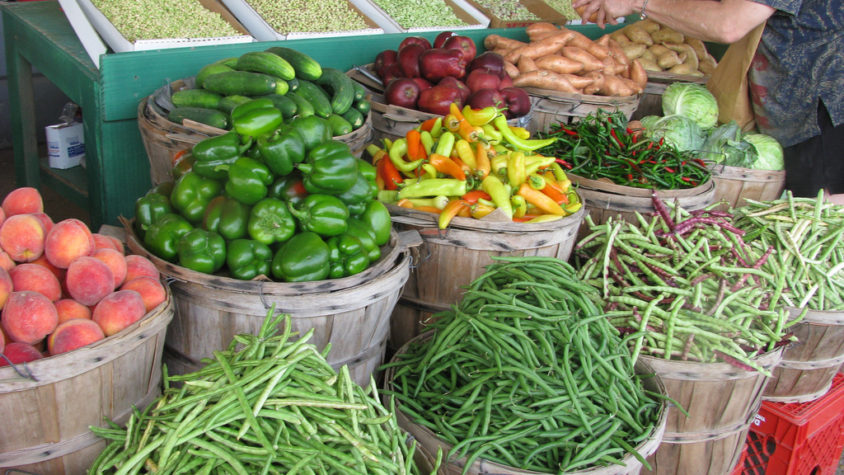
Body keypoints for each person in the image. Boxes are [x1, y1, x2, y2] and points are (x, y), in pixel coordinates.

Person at [572, 0, 844, 203]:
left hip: (828, 111)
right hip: (802, 113)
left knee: (820, 229)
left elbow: (728, 23)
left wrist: (637, 2)